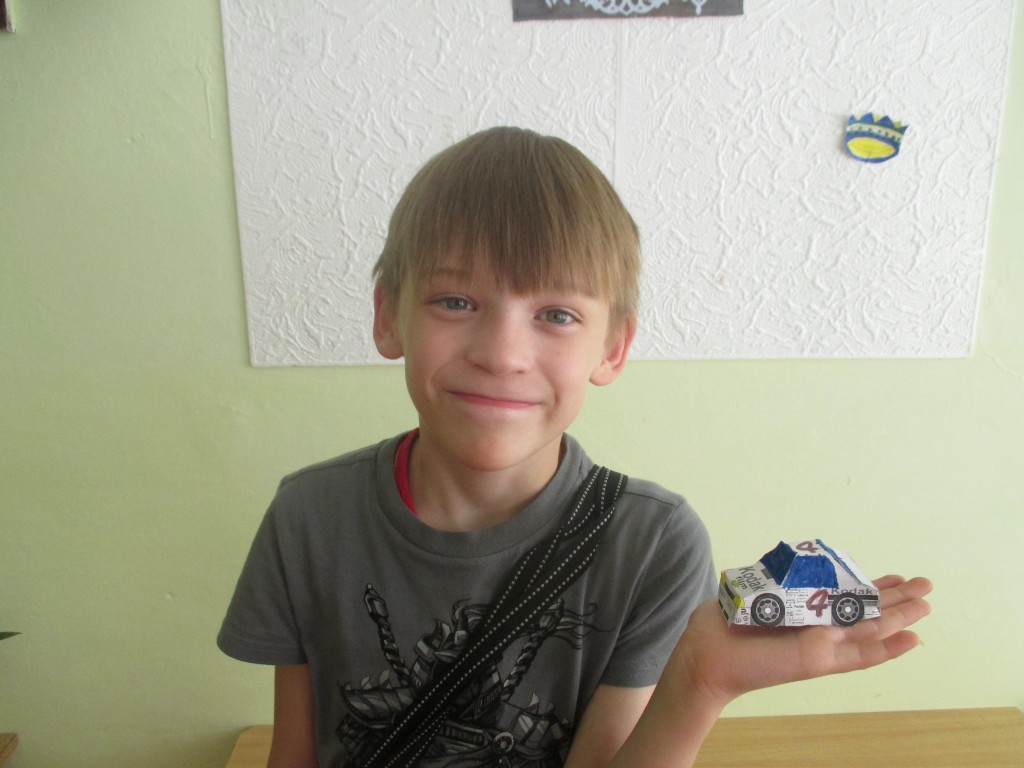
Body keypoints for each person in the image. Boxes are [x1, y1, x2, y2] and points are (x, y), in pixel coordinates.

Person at [218, 126, 932, 767]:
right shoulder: (309, 515)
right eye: (456, 302)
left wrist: (701, 681)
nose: (502, 354)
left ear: (612, 347)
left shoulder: (653, 544)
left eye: (556, 314)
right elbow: (294, 754)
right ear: (387, 317)